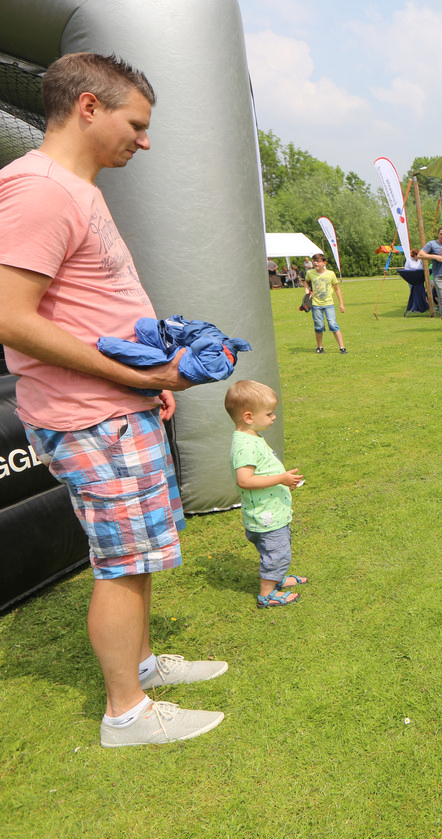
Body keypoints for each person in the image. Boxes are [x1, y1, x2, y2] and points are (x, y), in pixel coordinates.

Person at [0, 52, 225, 747]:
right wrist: (139, 377)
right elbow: (10, 317)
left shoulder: (77, 189)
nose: (145, 141)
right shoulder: (37, 190)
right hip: (89, 414)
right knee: (123, 560)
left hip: (119, 408)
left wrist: (146, 377)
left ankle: (143, 664)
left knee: (142, 551)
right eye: (138, 124)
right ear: (89, 106)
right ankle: (126, 712)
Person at [225, 380, 306, 608]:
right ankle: (267, 594)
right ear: (249, 417)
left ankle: (276, 578)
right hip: (266, 517)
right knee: (277, 553)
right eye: (269, 413)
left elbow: (261, 473)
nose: (274, 417)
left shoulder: (251, 438)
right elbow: (245, 480)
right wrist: (280, 479)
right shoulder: (246, 446)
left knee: (276, 550)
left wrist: (283, 483)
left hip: (270, 511)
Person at [304, 253, 347, 354]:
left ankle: (342, 347)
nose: (315, 263)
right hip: (316, 304)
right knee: (319, 326)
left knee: (333, 325)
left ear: (324, 263)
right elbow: (306, 282)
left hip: (328, 304)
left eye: (318, 261)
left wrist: (341, 304)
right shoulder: (310, 273)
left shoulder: (331, 274)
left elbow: (337, 289)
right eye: (314, 261)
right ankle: (319, 347)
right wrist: (308, 293)